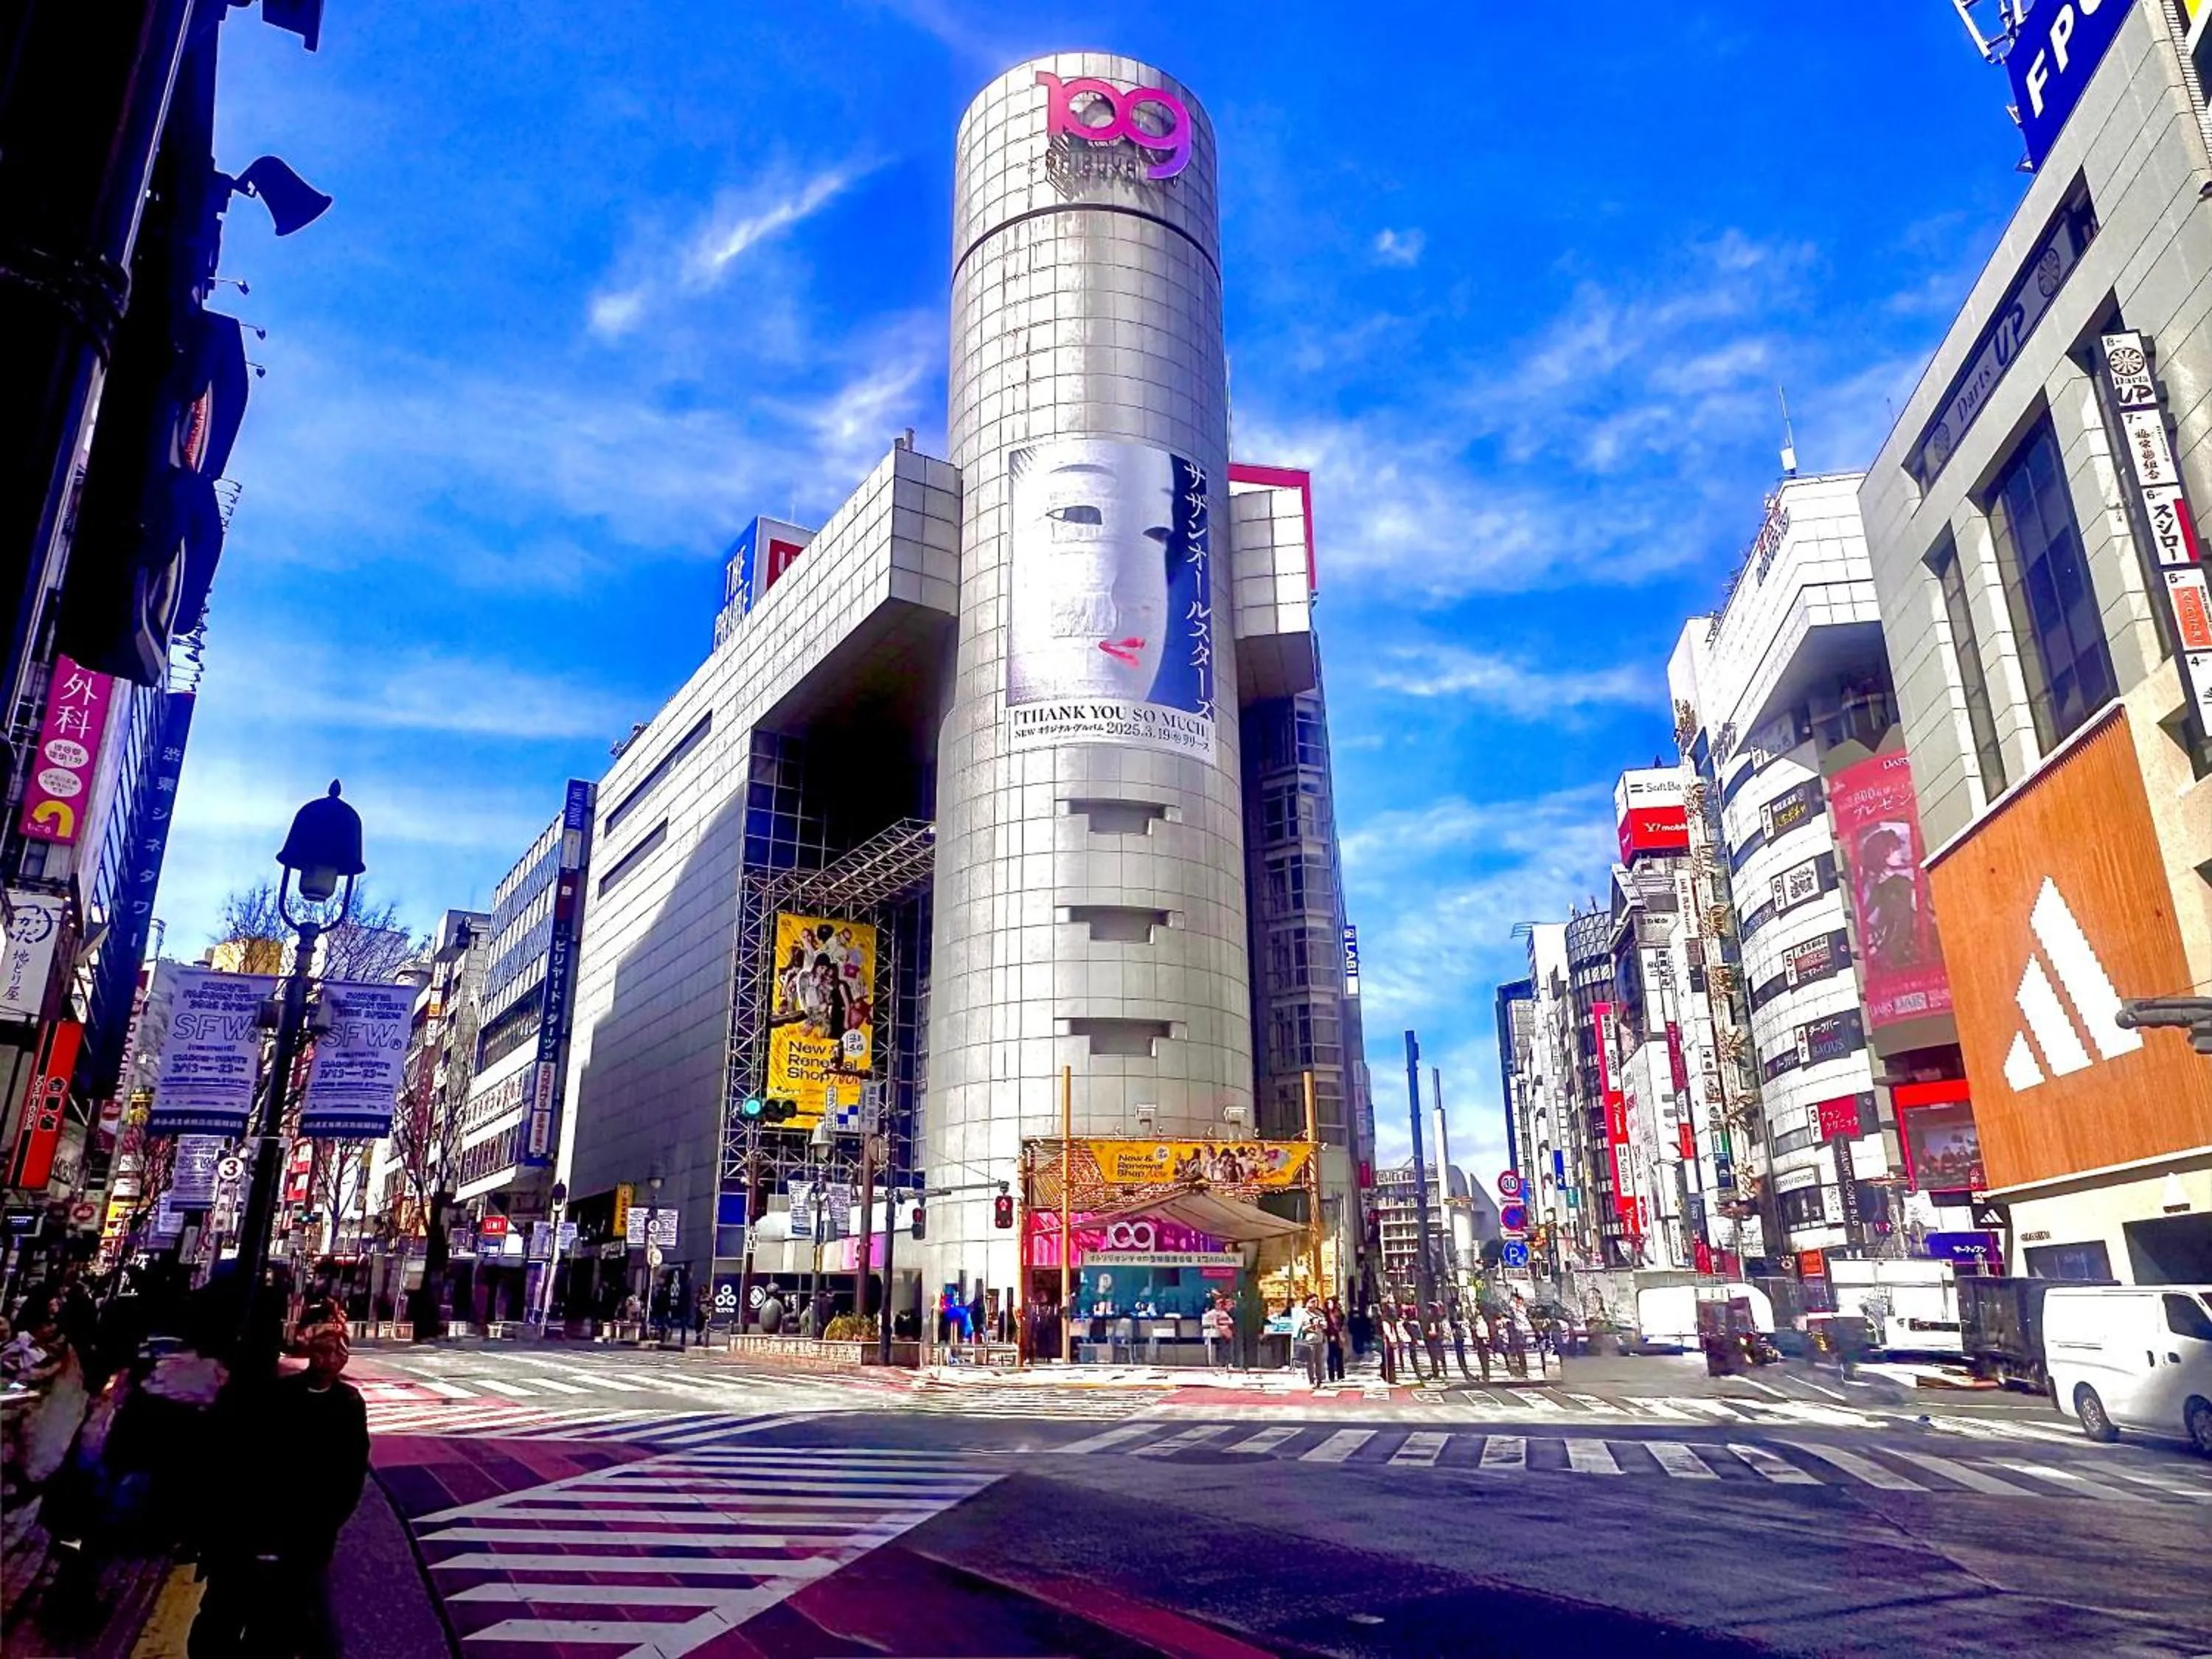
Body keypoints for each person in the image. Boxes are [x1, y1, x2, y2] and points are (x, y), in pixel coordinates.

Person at [189, 1325, 368, 1659]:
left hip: (300, 1535)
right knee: (233, 1620)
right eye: (322, 1350)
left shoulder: (346, 1403)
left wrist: (325, 1524)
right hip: (253, 1531)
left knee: (271, 1625)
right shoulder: (272, 1397)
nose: (329, 1359)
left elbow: (350, 1473)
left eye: (337, 1351)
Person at [1203, 1294, 1233, 1369]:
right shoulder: (1212, 1313)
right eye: (1218, 1304)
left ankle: (1227, 1362)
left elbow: (1230, 1321)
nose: (1219, 1306)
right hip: (1215, 1332)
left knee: (1227, 1343)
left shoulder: (1224, 1313)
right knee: (1222, 1343)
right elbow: (1208, 1320)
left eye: (1220, 1304)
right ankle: (1221, 1362)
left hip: (1224, 1332)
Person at [1324, 1298, 1347, 1382]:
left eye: (1330, 1303)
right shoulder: (1325, 1314)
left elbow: (1341, 1324)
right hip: (1329, 1336)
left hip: (1338, 1336)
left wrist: (1340, 1334)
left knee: (1339, 1356)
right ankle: (1331, 1376)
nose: (1329, 1305)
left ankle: (1340, 1375)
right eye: (1327, 1303)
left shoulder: (1338, 1313)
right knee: (1330, 1356)